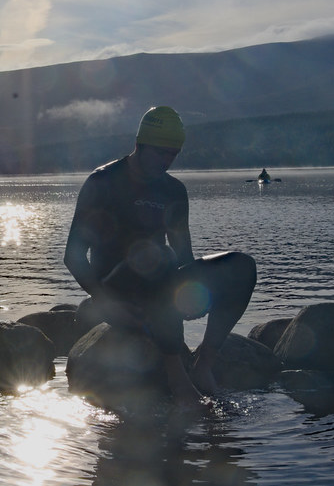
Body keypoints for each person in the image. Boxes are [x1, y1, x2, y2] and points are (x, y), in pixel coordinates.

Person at [63, 106, 257, 408]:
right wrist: (106, 301)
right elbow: (73, 255)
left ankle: (203, 364)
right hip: (118, 287)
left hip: (161, 286)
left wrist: (194, 293)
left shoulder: (173, 191)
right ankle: (177, 379)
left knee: (242, 267)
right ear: (140, 144)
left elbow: (185, 258)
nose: (166, 161)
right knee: (156, 254)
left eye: (173, 154)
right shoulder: (103, 183)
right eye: (160, 152)